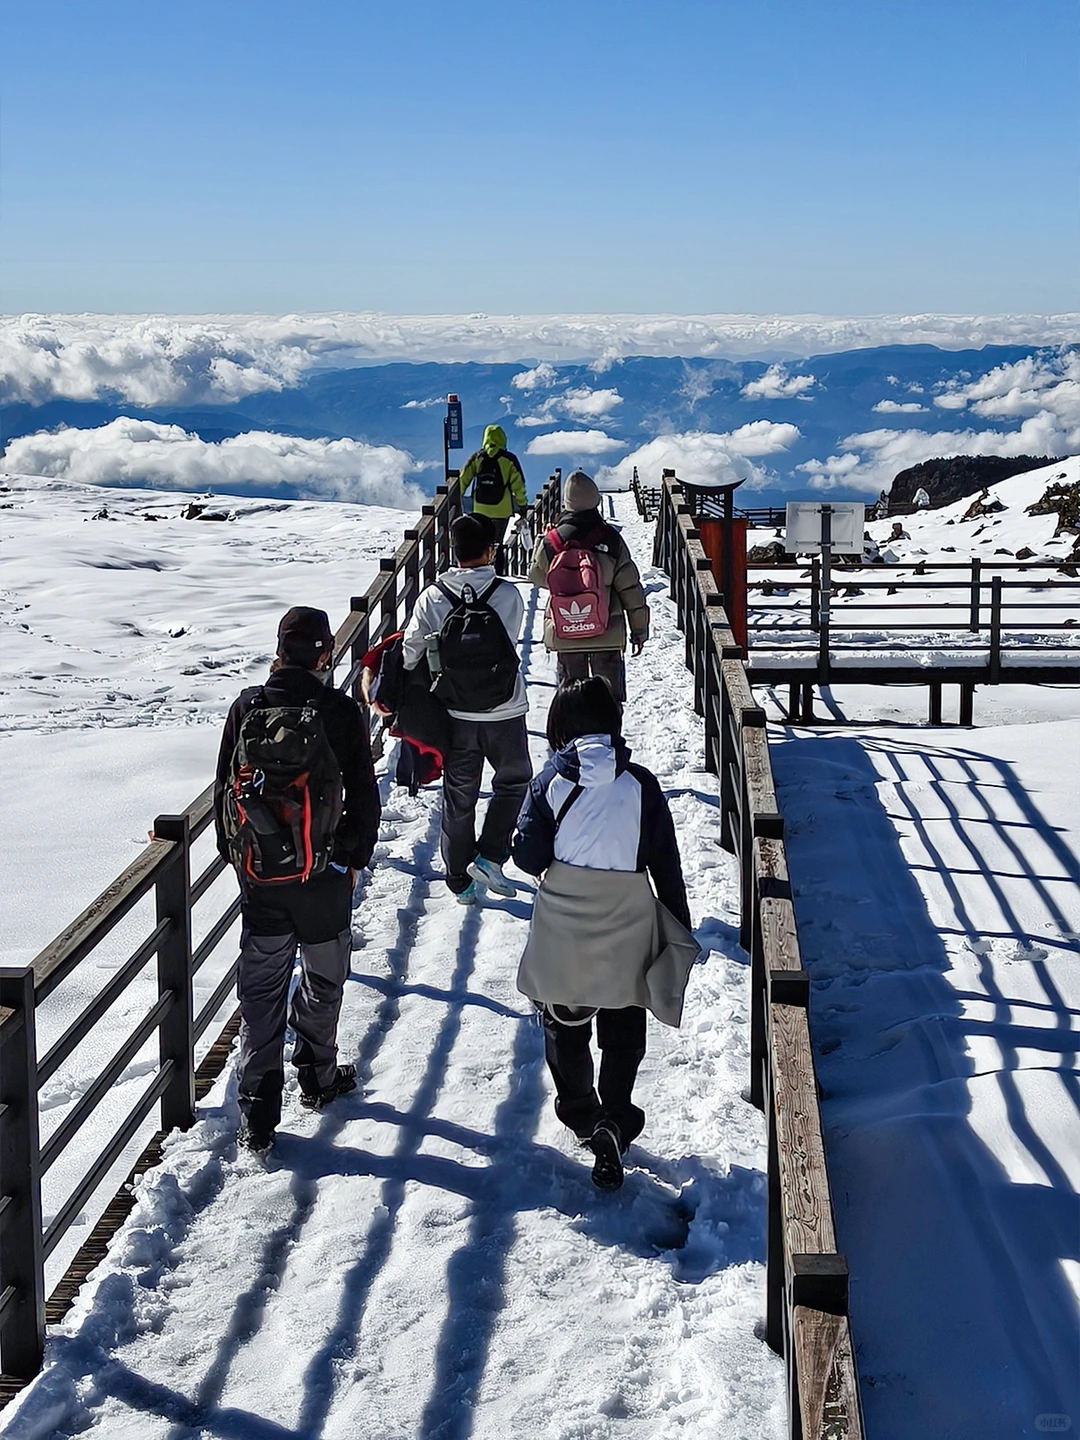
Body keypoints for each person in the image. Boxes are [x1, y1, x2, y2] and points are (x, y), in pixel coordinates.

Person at [512, 678, 695, 1190]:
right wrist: (678, 926)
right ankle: (615, 1116)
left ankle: (584, 1116)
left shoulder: (548, 783)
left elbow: (526, 856)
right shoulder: (641, 784)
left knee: (562, 1023)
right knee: (623, 1022)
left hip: (565, 925)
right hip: (627, 921)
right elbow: (665, 862)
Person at [214, 606, 381, 1152]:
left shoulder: (247, 707)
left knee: (261, 992)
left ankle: (258, 1110)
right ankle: (317, 1074)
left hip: (262, 879)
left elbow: (223, 795)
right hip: (324, 877)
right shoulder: (340, 710)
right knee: (324, 979)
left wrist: (243, 863)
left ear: (279, 651)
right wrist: (351, 859)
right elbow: (363, 795)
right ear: (325, 654)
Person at [401, 513, 531, 902]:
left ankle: (460, 880)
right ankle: (490, 856)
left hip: (455, 713)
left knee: (460, 797)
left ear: (452, 550)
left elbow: (410, 654)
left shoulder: (433, 596)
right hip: (506, 709)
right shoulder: (508, 595)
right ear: (490, 550)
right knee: (514, 781)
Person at [529, 470, 649, 705]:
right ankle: (609, 728)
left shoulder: (552, 541)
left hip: (566, 632)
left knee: (571, 702)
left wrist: (542, 541)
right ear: (596, 500)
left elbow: (536, 576)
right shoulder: (611, 539)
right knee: (608, 702)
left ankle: (573, 728)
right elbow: (630, 589)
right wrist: (639, 630)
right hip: (607, 633)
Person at [459, 424, 529, 561]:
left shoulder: (477, 457)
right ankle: (498, 569)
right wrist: (522, 506)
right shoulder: (509, 460)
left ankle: (483, 568)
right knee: (497, 544)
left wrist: (456, 500)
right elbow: (519, 486)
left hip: (479, 509)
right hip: (502, 511)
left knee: (481, 544)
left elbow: (463, 479)